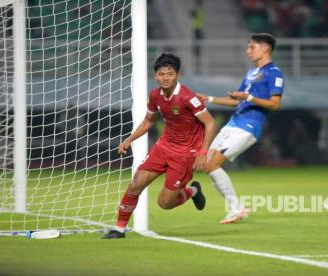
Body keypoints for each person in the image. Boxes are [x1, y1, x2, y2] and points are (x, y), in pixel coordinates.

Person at [102, 53, 216, 239]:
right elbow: (149, 120)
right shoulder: (155, 95)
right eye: (161, 74)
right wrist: (129, 139)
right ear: (155, 76)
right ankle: (119, 229)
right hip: (163, 148)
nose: (165, 78)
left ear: (178, 75)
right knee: (135, 185)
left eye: (170, 74)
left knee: (165, 203)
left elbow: (210, 123)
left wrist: (203, 152)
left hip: (185, 154)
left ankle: (193, 191)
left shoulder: (188, 97)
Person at [193, 33, 284, 224]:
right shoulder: (251, 73)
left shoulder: (274, 73)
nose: (247, 50)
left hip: (249, 126)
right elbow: (236, 100)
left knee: (211, 164)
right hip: (233, 123)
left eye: (252, 47)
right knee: (204, 164)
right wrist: (208, 99)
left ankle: (236, 209)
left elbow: (275, 104)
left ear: (265, 48)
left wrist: (248, 98)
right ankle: (232, 207)